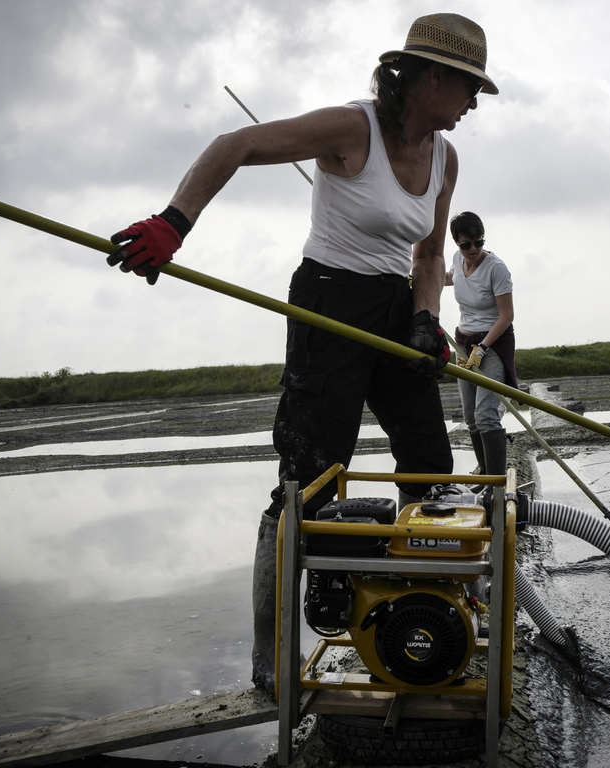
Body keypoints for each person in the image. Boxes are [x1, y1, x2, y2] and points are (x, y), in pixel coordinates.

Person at [106, 13, 498, 695]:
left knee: (430, 464)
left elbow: (430, 253)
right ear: (432, 77)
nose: (472, 106)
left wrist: (428, 320)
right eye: (469, 89)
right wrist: (174, 223)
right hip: (328, 300)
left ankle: (415, 612)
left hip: (397, 307)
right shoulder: (354, 127)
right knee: (311, 475)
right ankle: (271, 651)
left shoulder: (446, 156)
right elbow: (234, 143)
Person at [446, 211, 516, 478]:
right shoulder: (458, 260)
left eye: (478, 242)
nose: (473, 249)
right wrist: (416, 281)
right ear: (457, 244)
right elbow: (451, 278)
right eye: (466, 245)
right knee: (470, 416)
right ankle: (485, 473)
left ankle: (496, 485)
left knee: (486, 413)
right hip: (463, 343)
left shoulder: (496, 268)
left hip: (493, 344)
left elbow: (506, 315)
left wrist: (483, 348)